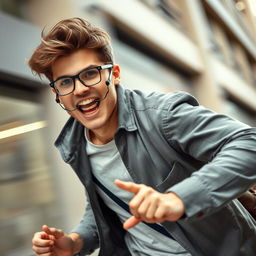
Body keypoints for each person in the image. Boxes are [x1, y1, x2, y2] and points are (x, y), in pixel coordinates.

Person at [28, 17, 256, 256]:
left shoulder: (163, 115)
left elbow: (249, 143)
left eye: (90, 74)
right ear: (57, 94)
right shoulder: (74, 144)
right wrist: (74, 242)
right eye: (66, 82)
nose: (81, 89)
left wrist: (179, 198)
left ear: (114, 75)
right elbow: (107, 208)